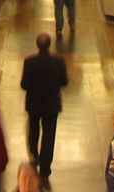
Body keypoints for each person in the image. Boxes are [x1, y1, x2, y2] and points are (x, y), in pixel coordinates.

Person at [20, 33, 68, 188]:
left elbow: (24, 84)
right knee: (49, 134)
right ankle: (45, 167)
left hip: (33, 103)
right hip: (51, 104)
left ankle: (34, 157)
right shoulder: (58, 61)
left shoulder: (29, 62)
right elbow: (64, 81)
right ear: (49, 45)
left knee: (33, 130)